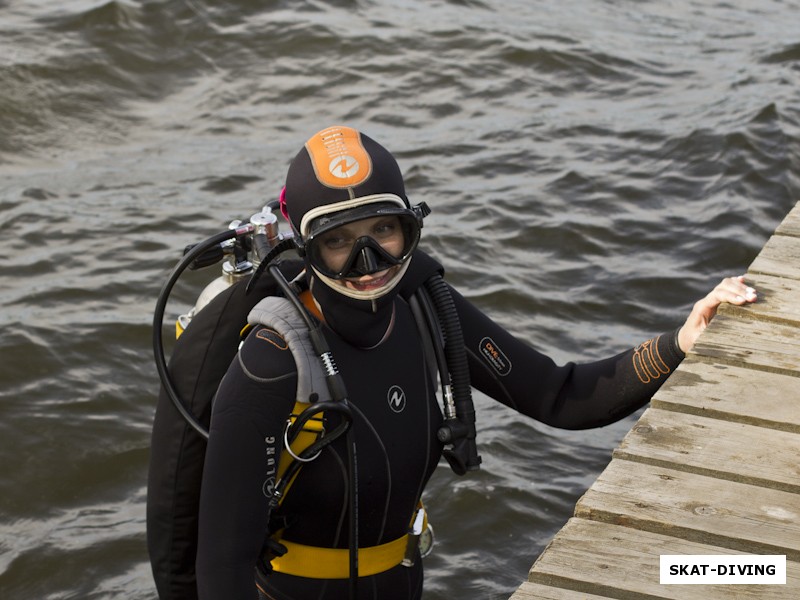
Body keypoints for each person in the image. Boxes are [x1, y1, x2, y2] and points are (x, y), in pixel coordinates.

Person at [193, 125, 757, 599]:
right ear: (305, 245)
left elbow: (561, 395)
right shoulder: (271, 364)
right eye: (339, 241)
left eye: (384, 231)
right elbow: (222, 568)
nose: (369, 261)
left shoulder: (426, 308)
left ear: (409, 227)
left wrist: (680, 340)